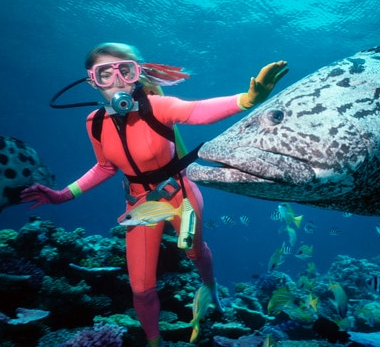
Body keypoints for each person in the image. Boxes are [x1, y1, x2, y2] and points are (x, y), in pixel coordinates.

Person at [21, 42, 288, 347]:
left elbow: (196, 111)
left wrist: (248, 99)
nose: (118, 80)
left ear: (138, 75)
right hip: (139, 204)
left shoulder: (157, 107)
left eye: (126, 70)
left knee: (194, 251)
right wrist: (61, 195)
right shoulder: (94, 123)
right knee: (142, 288)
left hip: (180, 192)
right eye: (106, 73)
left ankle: (209, 286)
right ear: (92, 81)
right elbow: (104, 168)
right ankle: (154, 342)